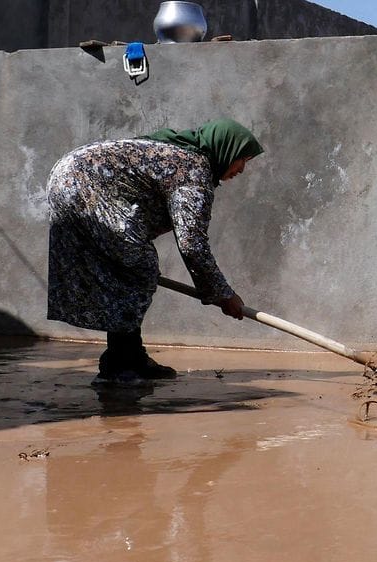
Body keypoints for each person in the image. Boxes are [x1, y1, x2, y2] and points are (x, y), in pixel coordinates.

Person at [46, 118, 263, 382]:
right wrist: (223, 294)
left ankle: (131, 358)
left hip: (67, 177)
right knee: (139, 267)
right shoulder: (193, 169)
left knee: (130, 270)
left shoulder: (179, 154)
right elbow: (192, 244)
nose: (242, 169)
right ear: (225, 148)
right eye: (242, 159)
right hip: (83, 183)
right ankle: (120, 366)